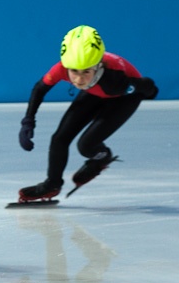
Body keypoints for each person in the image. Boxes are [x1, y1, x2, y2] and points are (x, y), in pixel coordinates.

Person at [18, 25, 158, 202]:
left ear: (98, 66)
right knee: (59, 138)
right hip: (94, 91)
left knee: (86, 146)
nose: (78, 79)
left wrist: (147, 90)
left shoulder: (115, 77)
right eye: (74, 71)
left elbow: (148, 87)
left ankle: (102, 156)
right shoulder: (63, 67)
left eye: (86, 72)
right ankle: (52, 184)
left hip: (123, 98)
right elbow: (40, 89)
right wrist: (28, 121)